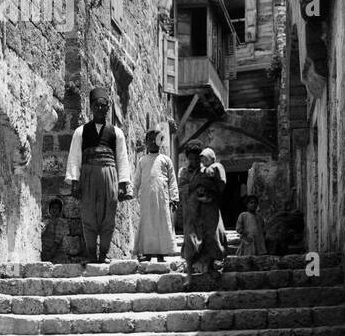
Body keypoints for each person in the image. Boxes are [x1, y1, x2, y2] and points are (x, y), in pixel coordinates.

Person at [65, 87, 132, 263]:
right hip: (87, 176)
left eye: (104, 105)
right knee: (88, 215)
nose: (100, 109)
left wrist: (123, 183)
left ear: (108, 108)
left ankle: (103, 254)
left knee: (108, 216)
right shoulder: (81, 131)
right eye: (97, 105)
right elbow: (74, 157)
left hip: (109, 176)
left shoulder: (116, 133)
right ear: (91, 107)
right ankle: (91, 254)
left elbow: (122, 158)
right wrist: (74, 181)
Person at [133, 130, 178, 261]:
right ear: (146, 142)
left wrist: (174, 197)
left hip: (162, 198)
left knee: (161, 224)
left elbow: (172, 180)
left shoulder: (166, 160)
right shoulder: (142, 161)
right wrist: (132, 193)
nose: (153, 142)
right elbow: (137, 180)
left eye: (156, 139)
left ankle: (160, 254)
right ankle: (147, 253)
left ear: (160, 142)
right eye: (150, 139)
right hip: (147, 198)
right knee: (147, 224)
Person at [183, 147, 227, 275]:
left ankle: (212, 264)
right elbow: (189, 187)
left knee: (213, 235)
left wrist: (208, 190)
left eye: (203, 159)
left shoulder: (216, 167)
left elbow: (219, 183)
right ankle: (195, 268)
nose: (201, 161)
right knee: (197, 237)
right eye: (202, 159)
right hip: (197, 210)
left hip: (210, 207)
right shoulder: (196, 171)